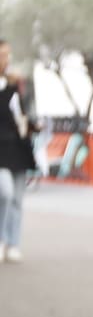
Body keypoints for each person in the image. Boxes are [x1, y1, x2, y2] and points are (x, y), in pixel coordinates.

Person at [0, 39, 32, 263]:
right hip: (1, 148)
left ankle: (13, 242)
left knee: (18, 199)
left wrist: (33, 125)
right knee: (5, 192)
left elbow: (20, 114)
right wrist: (9, 87)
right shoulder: (6, 86)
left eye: (8, 55)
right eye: (2, 55)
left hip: (19, 146)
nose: (6, 60)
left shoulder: (15, 85)